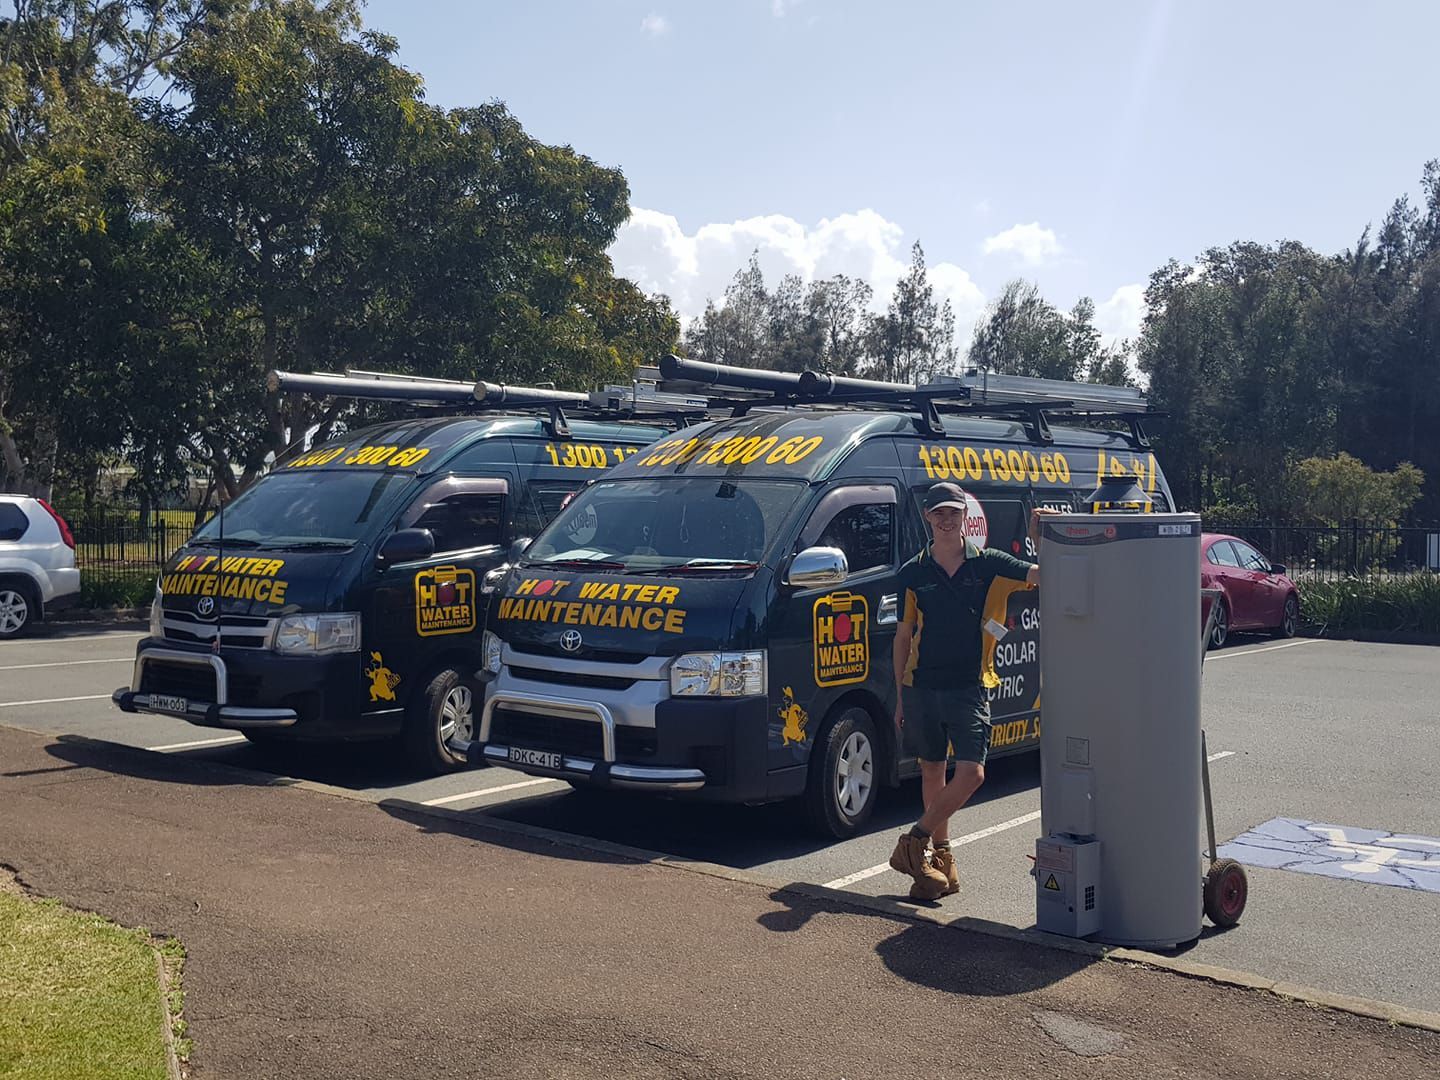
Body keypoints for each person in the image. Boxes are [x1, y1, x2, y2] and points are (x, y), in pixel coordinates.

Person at [887, 482, 1053, 901]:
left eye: (953, 513)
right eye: (938, 513)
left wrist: (1038, 537)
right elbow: (903, 635)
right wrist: (900, 696)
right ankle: (938, 862)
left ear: (965, 517)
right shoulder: (913, 571)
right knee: (931, 770)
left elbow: (1045, 576)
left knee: (973, 773)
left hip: (969, 686)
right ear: (928, 518)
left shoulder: (989, 564)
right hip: (921, 685)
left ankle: (914, 842)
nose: (946, 520)